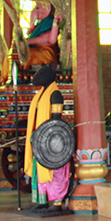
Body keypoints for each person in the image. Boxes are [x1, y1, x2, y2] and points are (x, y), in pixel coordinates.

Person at [23, 64, 70, 211]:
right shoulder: (39, 95)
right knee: (39, 170)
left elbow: (56, 119)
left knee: (54, 172)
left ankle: (57, 202)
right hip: (39, 139)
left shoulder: (55, 95)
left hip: (52, 141)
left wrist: (48, 138)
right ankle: (42, 200)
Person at [23, 0, 62, 68]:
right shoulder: (40, 24)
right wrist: (31, 26)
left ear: (47, 8)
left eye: (37, 8)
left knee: (26, 55)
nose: (34, 11)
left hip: (45, 53)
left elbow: (48, 39)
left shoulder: (49, 21)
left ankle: (21, 72)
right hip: (38, 50)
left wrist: (27, 42)